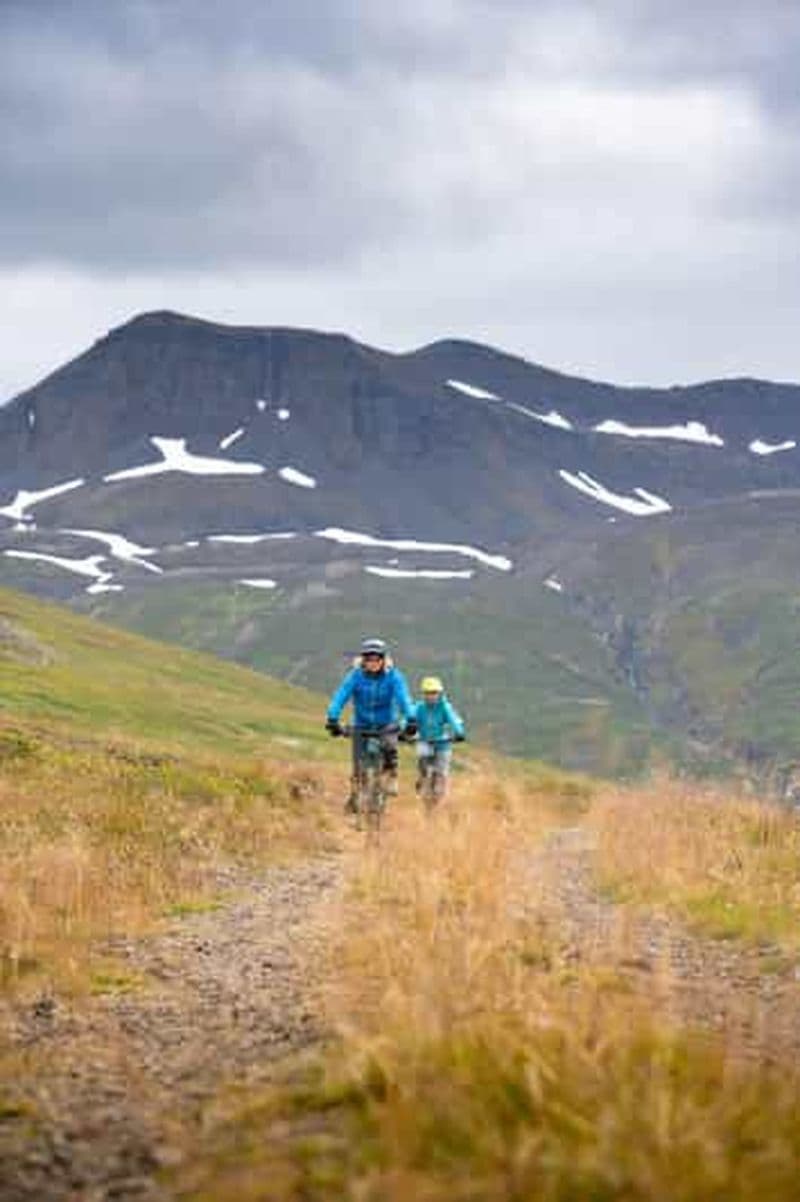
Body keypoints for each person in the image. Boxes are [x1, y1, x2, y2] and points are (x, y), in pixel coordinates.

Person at [326, 638, 417, 811]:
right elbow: (341, 696)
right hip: (361, 725)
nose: (373, 663)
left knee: (389, 747)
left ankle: (390, 775)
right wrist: (333, 718)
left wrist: (411, 719)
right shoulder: (355, 676)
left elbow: (403, 698)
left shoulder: (393, 676)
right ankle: (355, 797)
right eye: (369, 659)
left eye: (377, 659)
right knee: (358, 767)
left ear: (384, 659)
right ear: (363, 660)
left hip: (386, 724)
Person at [412, 676, 465, 803]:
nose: (431, 696)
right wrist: (404, 731)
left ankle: (440, 796)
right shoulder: (419, 707)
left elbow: (454, 721)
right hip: (424, 741)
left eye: (434, 693)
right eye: (428, 693)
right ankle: (422, 780)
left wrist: (459, 733)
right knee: (423, 768)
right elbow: (409, 719)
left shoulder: (445, 707)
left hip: (442, 743)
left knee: (441, 771)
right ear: (423, 694)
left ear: (439, 693)